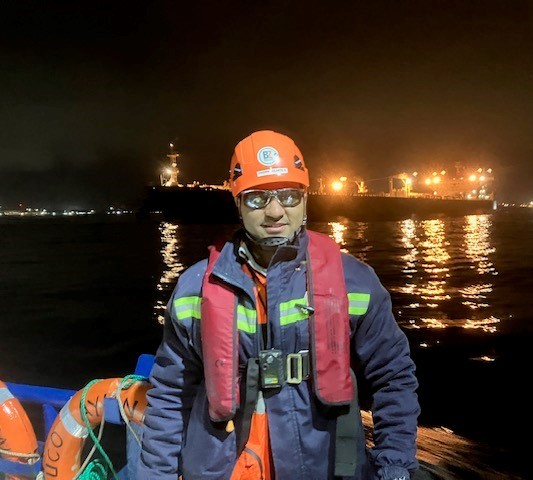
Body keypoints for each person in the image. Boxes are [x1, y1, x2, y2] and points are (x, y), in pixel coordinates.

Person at [137, 130, 420, 480]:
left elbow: (394, 377)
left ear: (305, 198)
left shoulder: (355, 281)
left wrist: (394, 466)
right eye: (256, 199)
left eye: (288, 195)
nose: (274, 212)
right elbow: (169, 394)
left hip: (324, 468)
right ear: (237, 202)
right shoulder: (194, 289)